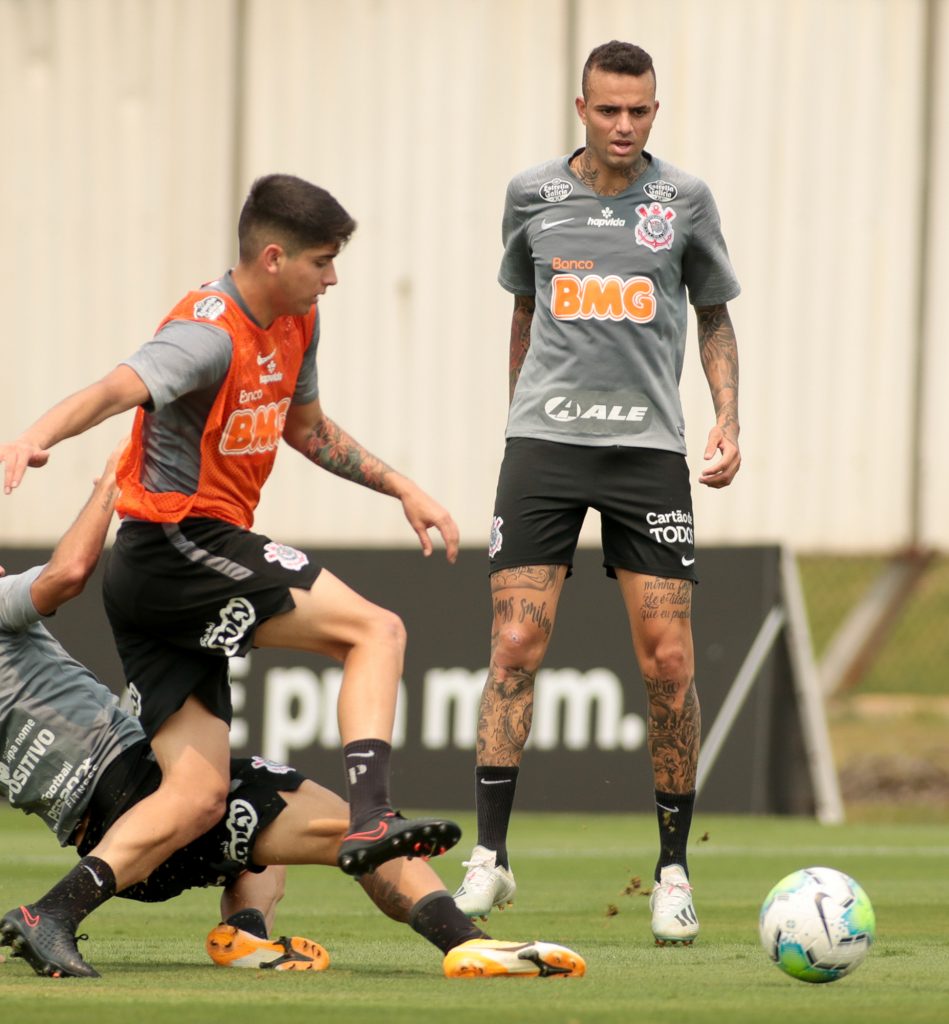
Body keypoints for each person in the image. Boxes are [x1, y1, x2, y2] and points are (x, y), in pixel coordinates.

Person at [0, 174, 461, 941]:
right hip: (178, 544)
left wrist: (400, 487)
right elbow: (118, 387)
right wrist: (33, 435)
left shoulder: (297, 322)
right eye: (323, 260)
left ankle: (52, 915)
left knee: (199, 793)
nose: (334, 276)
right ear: (273, 257)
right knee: (375, 631)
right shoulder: (207, 331)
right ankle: (371, 815)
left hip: (169, 573)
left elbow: (307, 431)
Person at [0, 455, 585, 981]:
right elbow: (67, 574)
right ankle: (468, 944)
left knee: (268, 814)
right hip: (136, 795)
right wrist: (113, 482)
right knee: (341, 825)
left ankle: (246, 934)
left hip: (118, 848)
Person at [451, 41, 741, 946]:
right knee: (513, 643)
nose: (624, 126)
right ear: (580, 106)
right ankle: (490, 861)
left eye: (640, 111)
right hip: (544, 446)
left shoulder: (683, 201)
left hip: (645, 451)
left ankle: (671, 873)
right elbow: (524, 311)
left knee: (668, 664)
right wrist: (514, 426)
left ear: (655, 110)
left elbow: (714, 315)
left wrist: (727, 417)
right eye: (609, 110)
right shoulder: (530, 195)